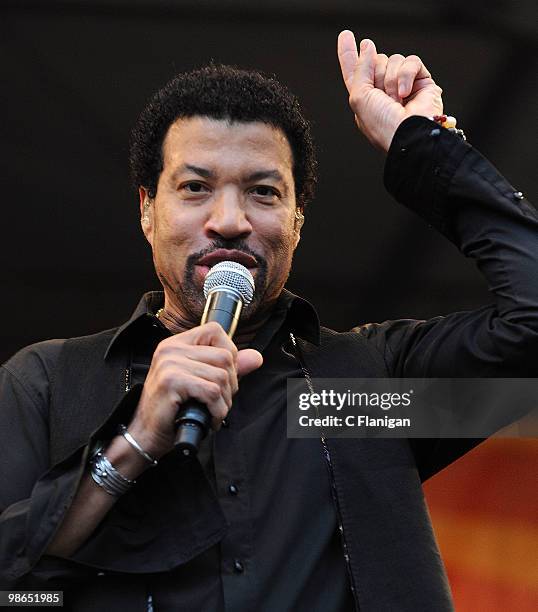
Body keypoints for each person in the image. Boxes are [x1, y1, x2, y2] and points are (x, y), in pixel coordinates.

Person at [1, 30, 537, 611]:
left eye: (262, 192)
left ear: (297, 218)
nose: (229, 221)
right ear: (147, 210)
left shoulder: (361, 392)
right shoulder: (50, 384)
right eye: (195, 187)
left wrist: (423, 145)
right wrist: (130, 447)